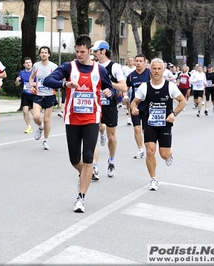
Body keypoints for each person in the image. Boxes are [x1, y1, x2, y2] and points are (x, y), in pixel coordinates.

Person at [43, 34, 114, 212]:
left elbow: (109, 87)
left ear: (91, 51)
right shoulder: (69, 67)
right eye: (77, 51)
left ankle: (80, 198)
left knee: (88, 157)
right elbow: (47, 80)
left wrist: (109, 92)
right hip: (72, 119)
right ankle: (85, 174)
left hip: (92, 119)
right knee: (75, 159)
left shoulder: (100, 70)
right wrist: (65, 84)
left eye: (82, 52)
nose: (79, 55)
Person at [130, 58, 186, 191]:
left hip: (165, 124)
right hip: (150, 123)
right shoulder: (144, 86)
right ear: (150, 70)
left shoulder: (170, 86)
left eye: (159, 69)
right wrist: (133, 107)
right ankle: (153, 179)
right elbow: (134, 101)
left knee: (164, 154)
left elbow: (182, 101)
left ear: (163, 70)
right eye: (154, 68)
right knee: (150, 151)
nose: (156, 71)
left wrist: (174, 114)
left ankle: (169, 154)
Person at [91, 40, 128, 179]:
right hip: (95, 106)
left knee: (111, 138)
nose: (93, 53)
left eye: (96, 51)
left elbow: (124, 87)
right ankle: (94, 167)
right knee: (92, 137)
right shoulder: (92, 66)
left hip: (110, 106)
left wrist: (108, 83)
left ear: (103, 51)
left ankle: (111, 160)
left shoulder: (115, 67)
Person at [29, 46, 58, 150]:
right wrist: (31, 86)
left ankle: (45, 140)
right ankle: (40, 127)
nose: (44, 54)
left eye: (46, 52)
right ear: (39, 54)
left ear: (49, 54)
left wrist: (56, 84)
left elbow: (58, 78)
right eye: (42, 52)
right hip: (38, 94)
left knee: (47, 120)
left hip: (50, 95)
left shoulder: (54, 66)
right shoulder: (36, 66)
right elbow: (31, 77)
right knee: (36, 116)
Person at [126, 54, 151, 159]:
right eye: (137, 61)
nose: (138, 63)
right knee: (137, 128)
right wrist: (125, 96)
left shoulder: (150, 74)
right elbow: (126, 87)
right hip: (135, 106)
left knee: (146, 130)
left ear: (145, 62)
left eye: (141, 61)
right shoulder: (131, 76)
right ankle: (140, 150)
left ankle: (149, 147)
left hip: (148, 106)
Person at [15, 57, 34, 133]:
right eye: (26, 63)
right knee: (25, 110)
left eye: (29, 62)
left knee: (34, 113)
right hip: (25, 94)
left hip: (34, 94)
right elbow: (17, 84)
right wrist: (17, 81)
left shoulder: (34, 72)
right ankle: (29, 126)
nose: (28, 64)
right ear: (24, 64)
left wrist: (33, 85)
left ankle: (40, 125)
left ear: (32, 63)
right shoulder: (22, 73)